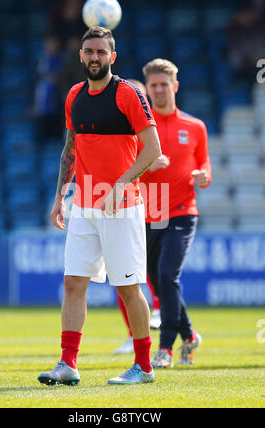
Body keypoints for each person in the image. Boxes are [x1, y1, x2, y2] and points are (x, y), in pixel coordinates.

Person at [38, 27, 164, 386]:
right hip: (84, 207)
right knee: (74, 284)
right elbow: (70, 149)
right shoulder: (74, 95)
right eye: (89, 51)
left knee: (128, 288)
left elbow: (153, 150)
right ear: (81, 56)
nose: (95, 57)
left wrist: (121, 184)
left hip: (122, 207)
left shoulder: (128, 94)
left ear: (113, 57)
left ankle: (144, 366)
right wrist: (60, 195)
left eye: (101, 52)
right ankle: (67, 364)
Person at [126, 59, 211, 368]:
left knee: (167, 275)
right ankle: (190, 337)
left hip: (182, 212)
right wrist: (148, 165)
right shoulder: (139, 131)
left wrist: (203, 176)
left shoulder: (195, 127)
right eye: (153, 86)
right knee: (160, 283)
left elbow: (204, 164)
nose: (159, 90)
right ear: (146, 90)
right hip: (147, 214)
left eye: (164, 84)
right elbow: (127, 173)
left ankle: (165, 349)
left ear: (175, 86)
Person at [114, 78, 161, 356]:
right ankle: (133, 335)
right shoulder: (119, 130)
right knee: (122, 277)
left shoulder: (153, 129)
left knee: (154, 269)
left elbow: (164, 159)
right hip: (125, 207)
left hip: (154, 207)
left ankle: (162, 316)